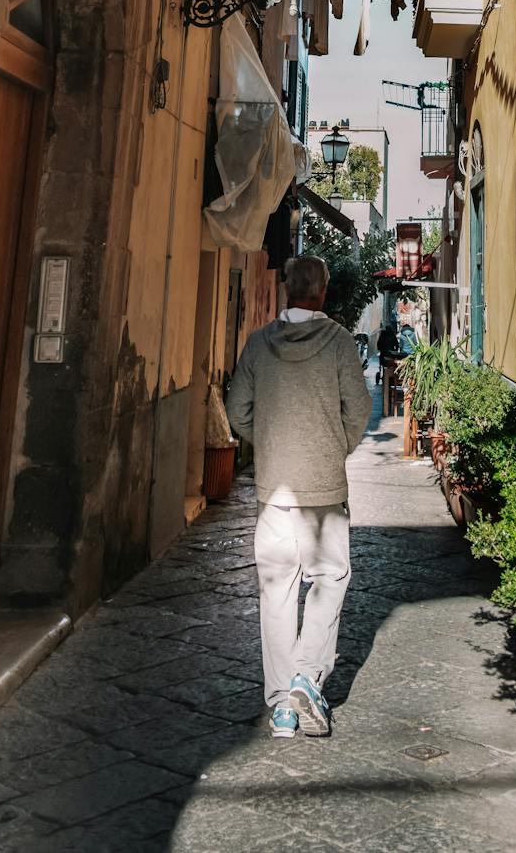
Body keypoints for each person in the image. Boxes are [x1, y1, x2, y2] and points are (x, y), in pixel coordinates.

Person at [226, 254, 370, 740]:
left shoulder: (258, 345)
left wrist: (266, 445)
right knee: (330, 578)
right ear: (324, 293)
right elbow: (358, 411)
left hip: (273, 493)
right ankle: (307, 679)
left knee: (276, 592)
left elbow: (236, 410)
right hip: (323, 490)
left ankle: (281, 707)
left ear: (287, 290)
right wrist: (334, 450)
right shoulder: (339, 344)